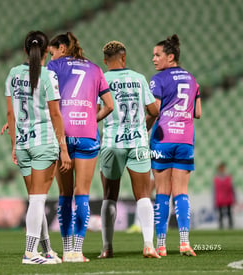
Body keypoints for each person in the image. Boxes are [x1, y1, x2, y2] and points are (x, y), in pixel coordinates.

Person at [5, 30, 72, 264]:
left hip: (22, 143)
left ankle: (45, 249)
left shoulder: (13, 74)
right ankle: (30, 253)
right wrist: (63, 149)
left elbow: (10, 113)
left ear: (25, 50)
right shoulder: (47, 76)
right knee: (38, 199)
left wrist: (14, 145)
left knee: (36, 199)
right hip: (43, 142)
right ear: (46, 51)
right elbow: (55, 114)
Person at [47, 32, 114, 262]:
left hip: (62, 135)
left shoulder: (54, 66)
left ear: (62, 48)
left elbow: (46, 101)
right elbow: (109, 105)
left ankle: (66, 250)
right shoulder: (95, 69)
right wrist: (91, 119)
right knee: (82, 195)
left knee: (65, 194)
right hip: (87, 134)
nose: (51, 55)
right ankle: (77, 251)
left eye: (53, 50)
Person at [97, 41, 160, 259]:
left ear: (105, 61)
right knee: (143, 196)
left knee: (109, 196)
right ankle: (149, 245)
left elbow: (97, 110)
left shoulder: (102, 80)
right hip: (138, 142)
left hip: (113, 143)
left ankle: (107, 248)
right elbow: (154, 110)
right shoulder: (139, 78)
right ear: (124, 58)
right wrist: (144, 124)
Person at [147, 34, 201, 257]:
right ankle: (184, 243)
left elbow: (155, 110)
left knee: (162, 192)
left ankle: (161, 245)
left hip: (163, 138)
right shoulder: (192, 80)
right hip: (185, 140)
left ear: (171, 56)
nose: (153, 59)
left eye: (157, 55)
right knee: (181, 192)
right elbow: (198, 113)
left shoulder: (158, 79)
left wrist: (144, 128)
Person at [213, 163, 235, 229]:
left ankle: (230, 225)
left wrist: (234, 197)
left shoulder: (228, 177)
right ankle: (221, 226)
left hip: (228, 197)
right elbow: (214, 190)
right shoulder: (216, 178)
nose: (222, 169)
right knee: (220, 213)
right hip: (220, 198)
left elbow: (232, 188)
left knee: (229, 212)